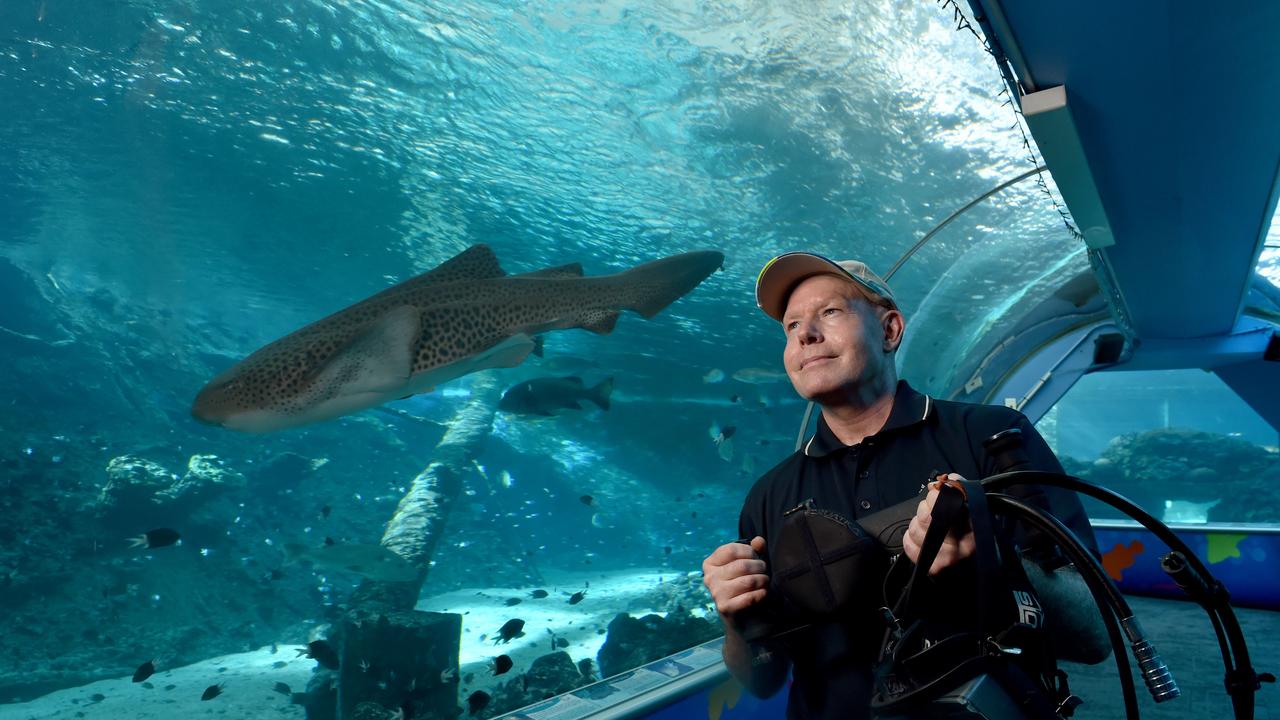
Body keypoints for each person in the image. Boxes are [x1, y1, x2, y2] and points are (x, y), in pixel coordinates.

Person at [701, 252, 1110, 719]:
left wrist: (991, 564)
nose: (806, 335)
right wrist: (735, 620)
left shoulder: (993, 439)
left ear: (890, 330)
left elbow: (1094, 635)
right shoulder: (769, 495)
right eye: (791, 327)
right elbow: (763, 680)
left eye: (829, 313)